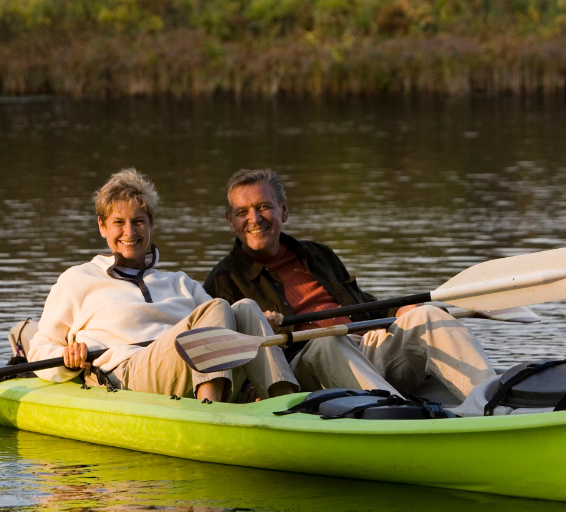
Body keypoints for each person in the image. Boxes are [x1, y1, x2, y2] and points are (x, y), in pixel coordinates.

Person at [203, 168, 496, 404]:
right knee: (326, 341)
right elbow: (228, 360)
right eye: (243, 212)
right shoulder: (222, 281)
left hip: (367, 347)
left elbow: (362, 301)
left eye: (263, 207)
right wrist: (262, 329)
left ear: (284, 211)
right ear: (231, 221)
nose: (254, 219)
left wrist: (404, 308)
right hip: (307, 368)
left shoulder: (318, 254)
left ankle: (497, 403)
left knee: (428, 316)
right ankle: (398, 417)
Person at [29, 168, 298, 403]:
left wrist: (261, 326)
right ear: (102, 226)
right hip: (127, 374)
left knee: (247, 310)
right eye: (118, 223)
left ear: (151, 225)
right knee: (217, 307)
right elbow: (40, 348)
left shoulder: (181, 283)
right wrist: (68, 358)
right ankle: (209, 411)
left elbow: (224, 323)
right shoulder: (78, 279)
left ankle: (284, 402)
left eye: (138, 222)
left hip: (184, 368)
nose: (130, 233)